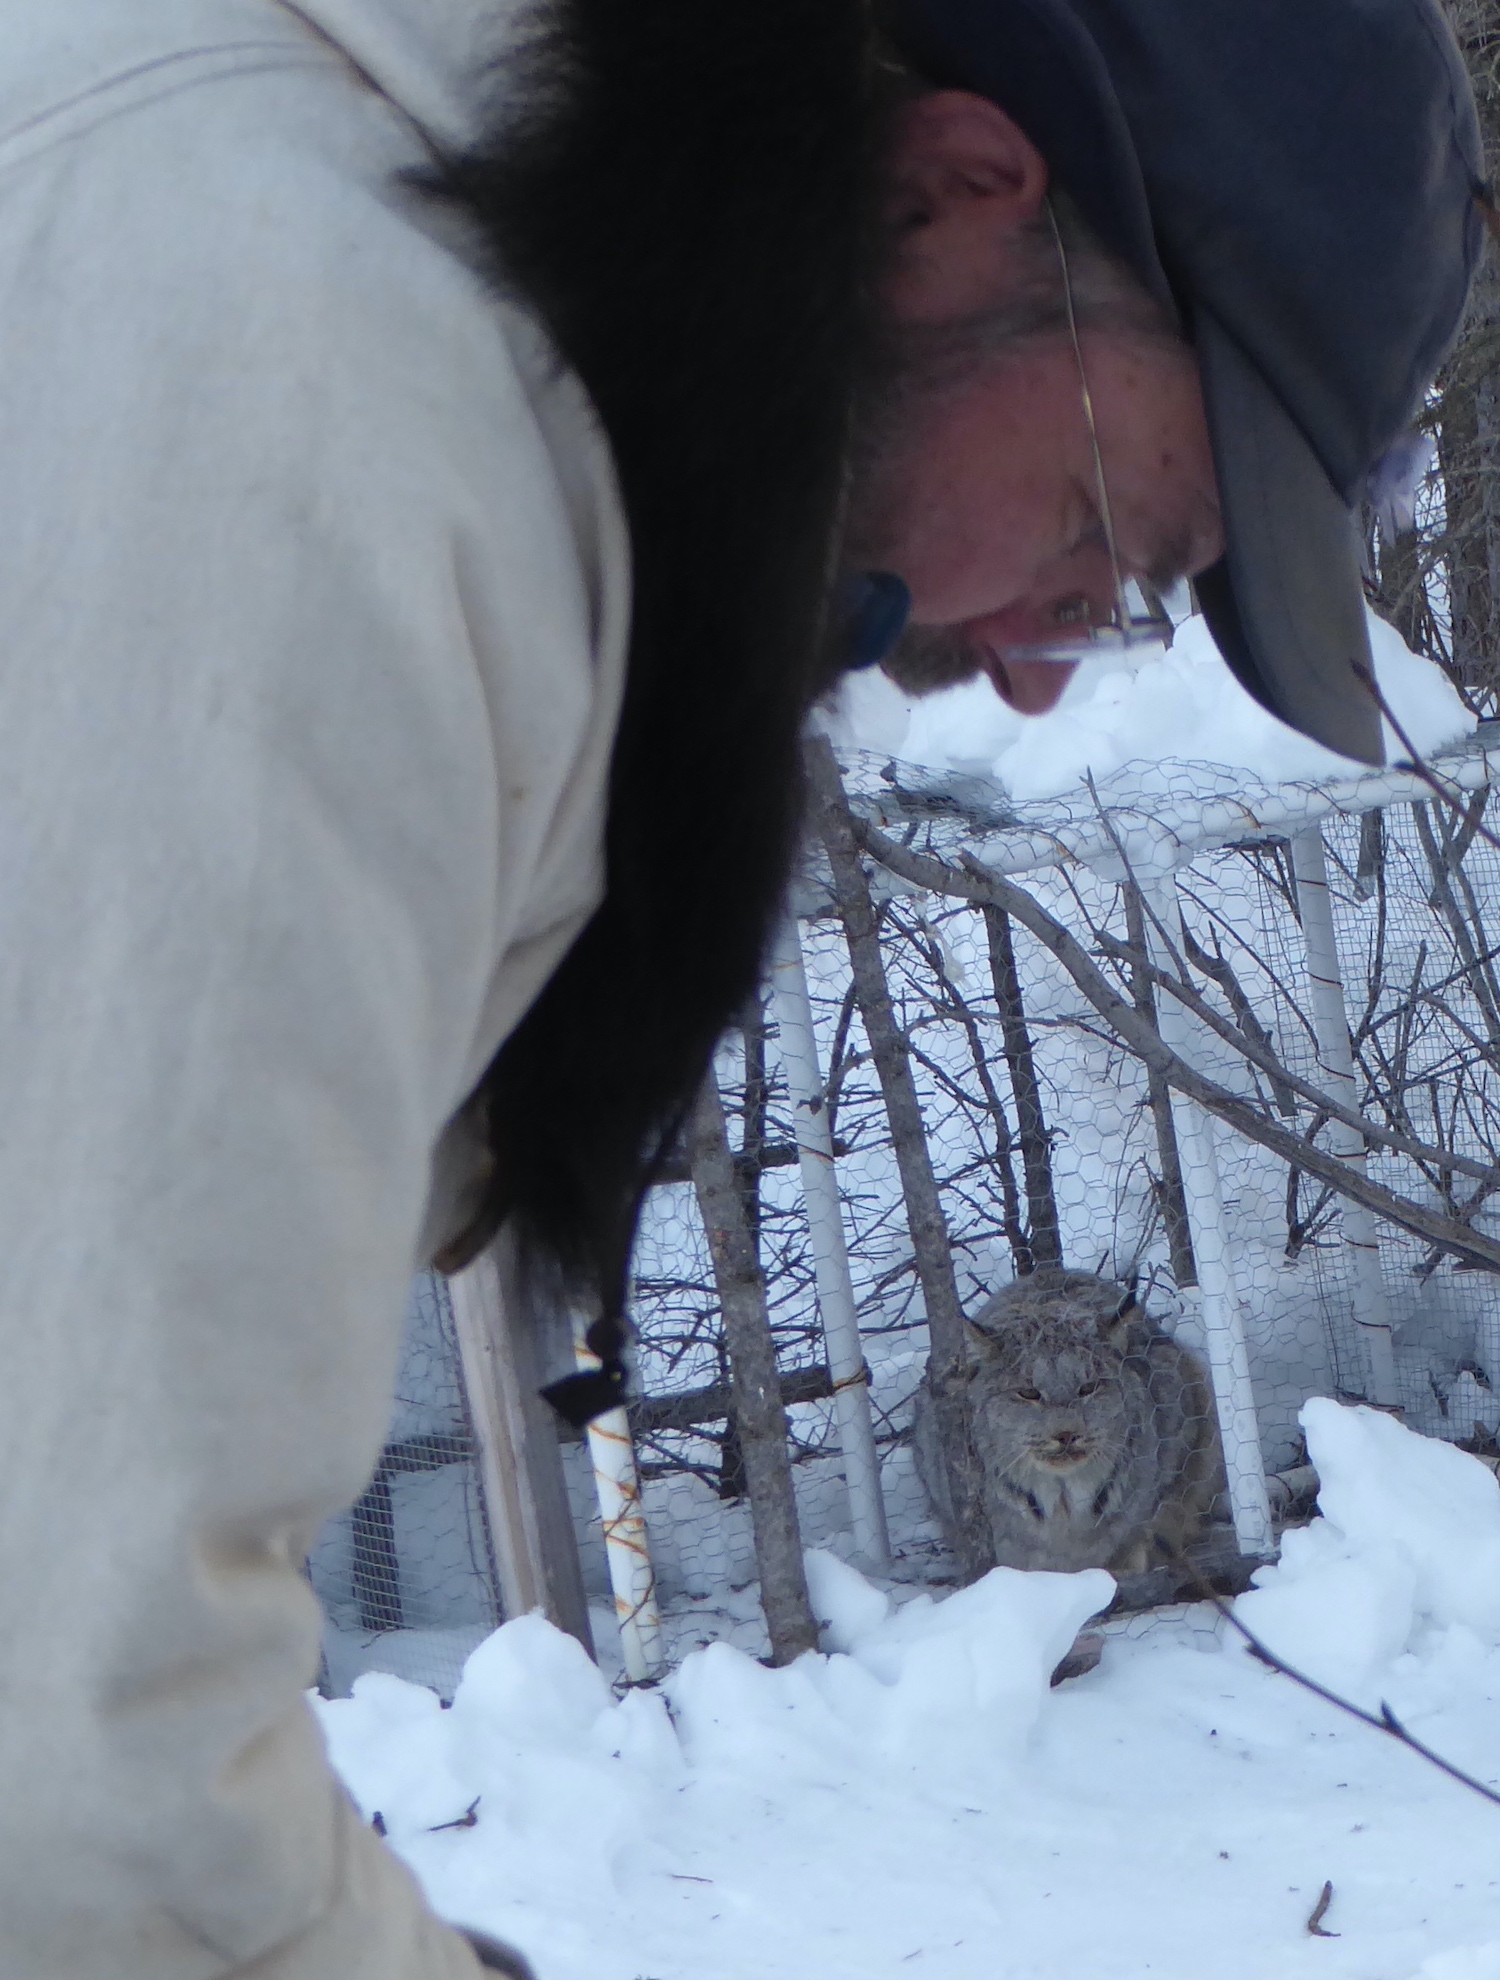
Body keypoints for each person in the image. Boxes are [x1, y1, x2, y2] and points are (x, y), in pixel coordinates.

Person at [0, 0, 1479, 1975]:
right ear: (954, 191)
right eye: (1119, 537)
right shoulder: (330, 411)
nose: (1051, 664)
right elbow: (85, 1762)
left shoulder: (380, 285)